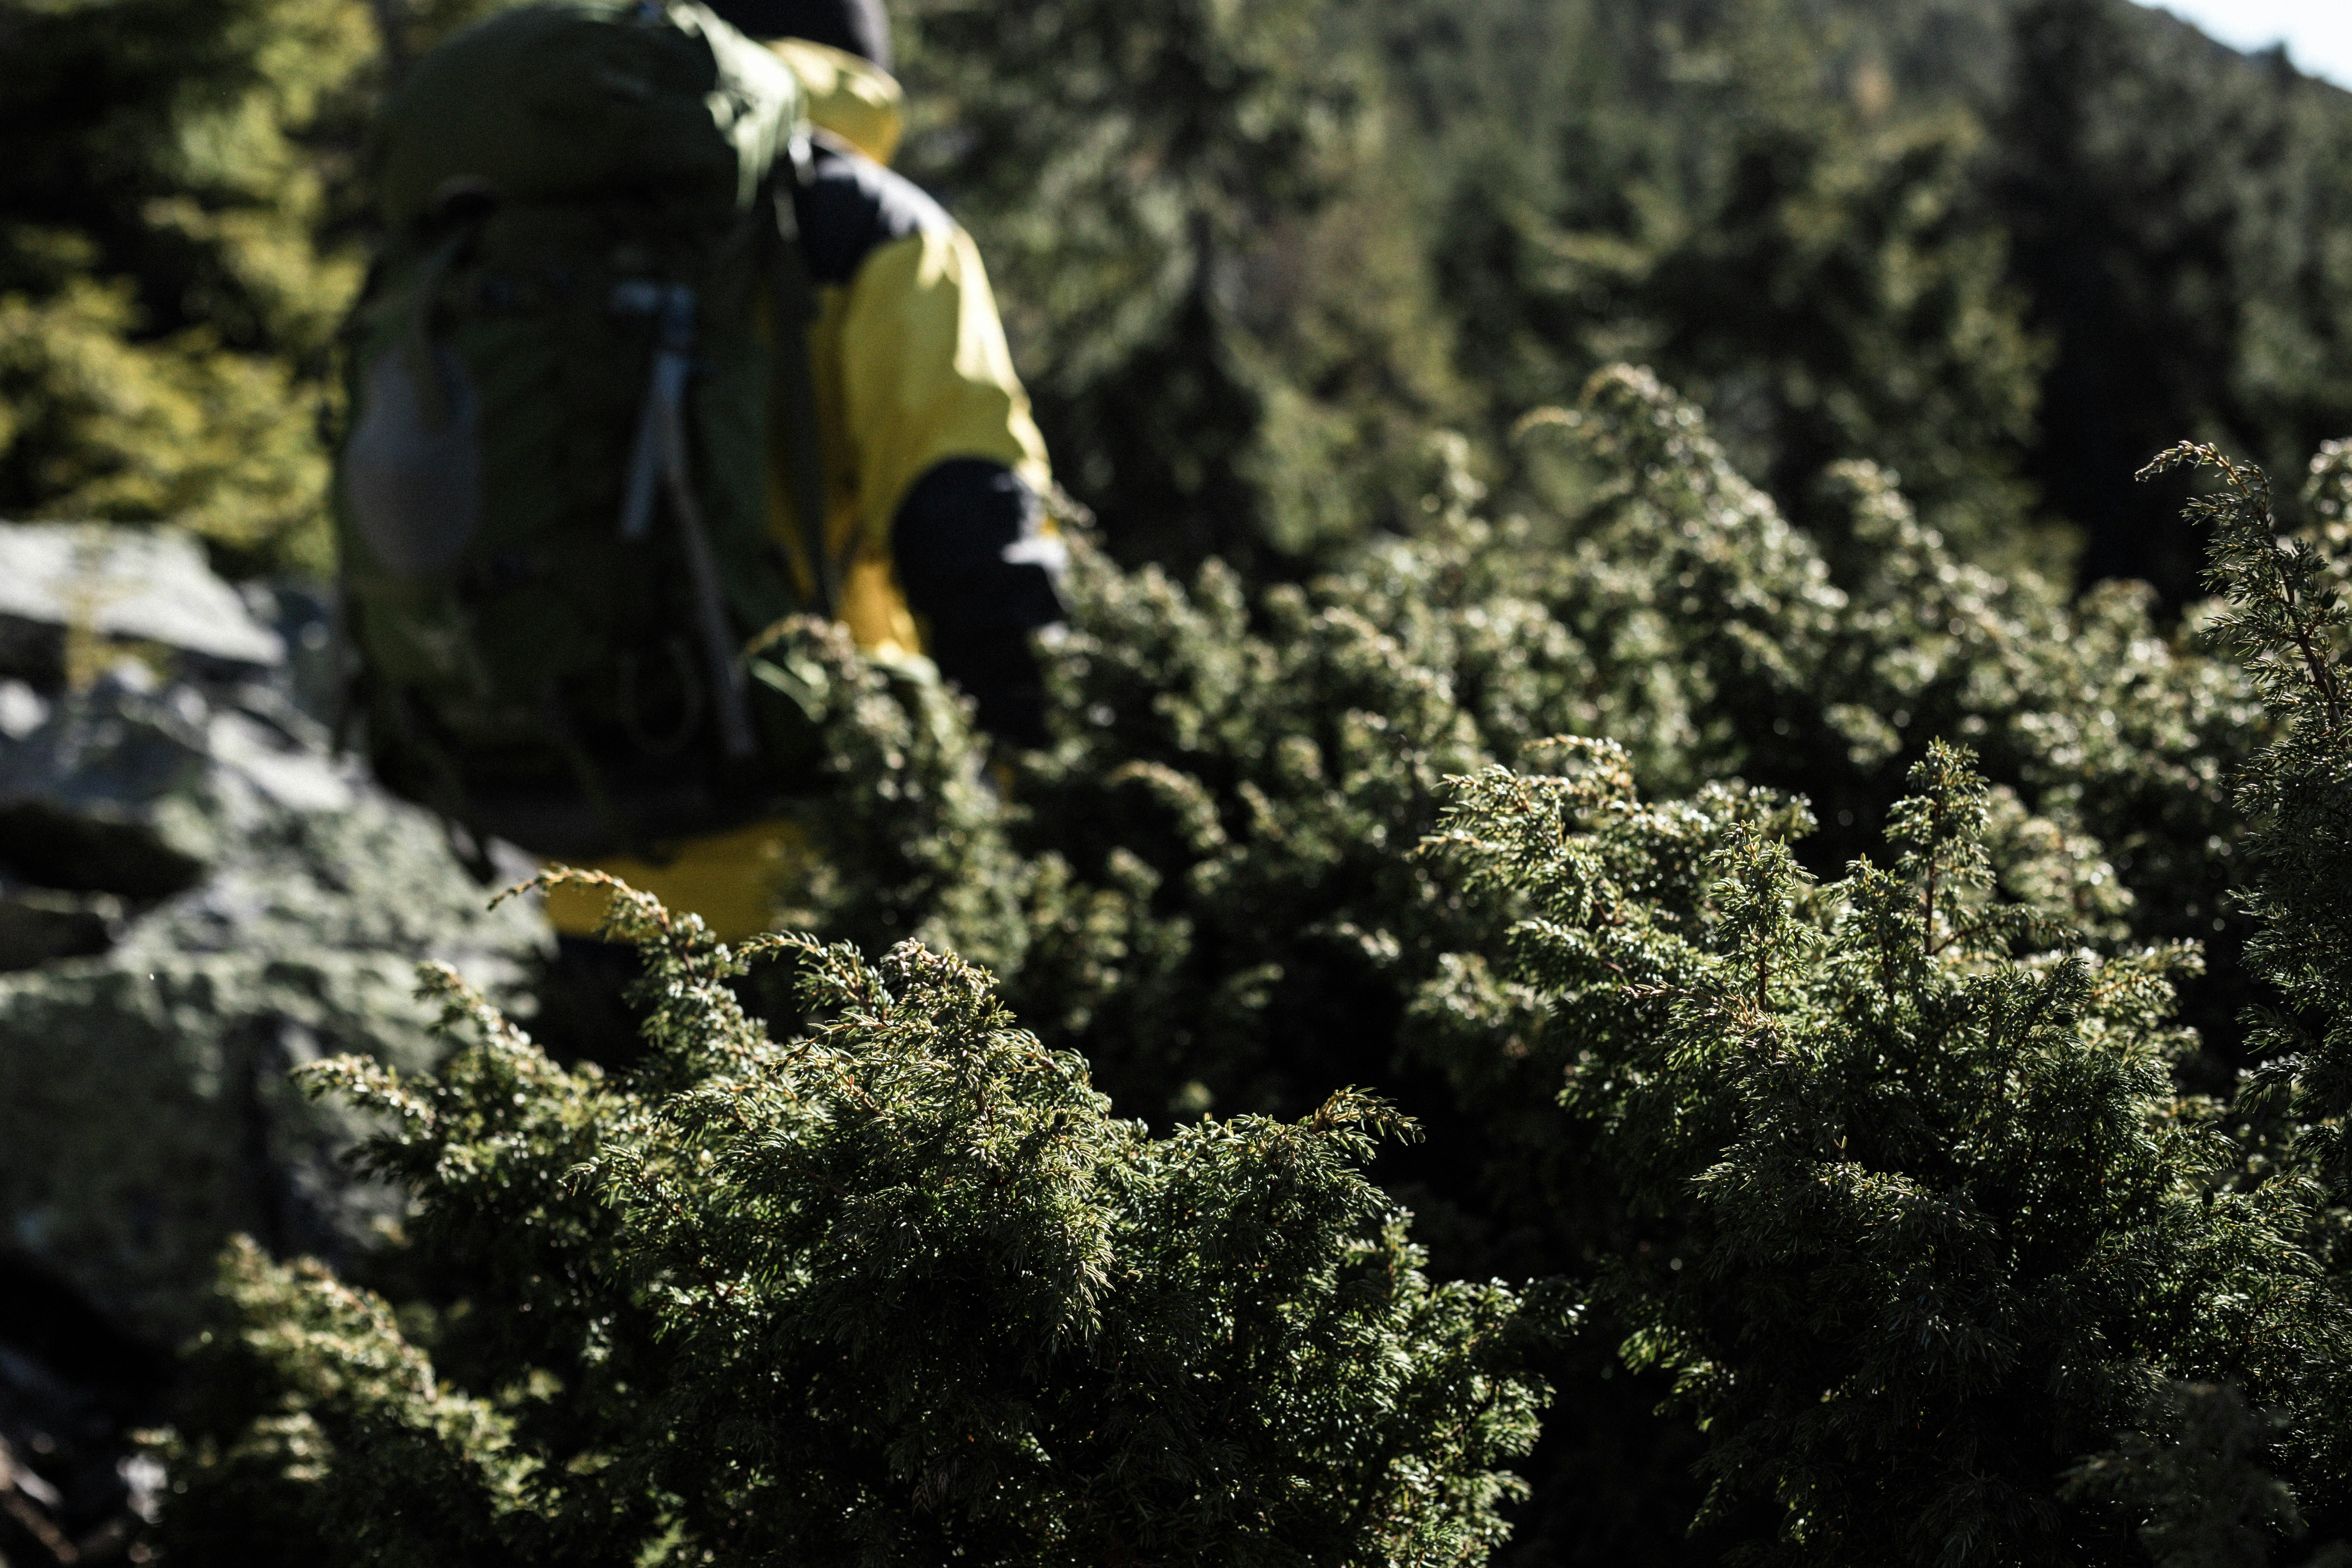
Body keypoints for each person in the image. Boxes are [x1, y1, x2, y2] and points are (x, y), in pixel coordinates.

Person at [537, 0, 1066, 944]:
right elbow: (974, 525)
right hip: (814, 884)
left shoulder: (575, 210)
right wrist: (1054, 811)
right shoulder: (876, 227)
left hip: (578, 854)